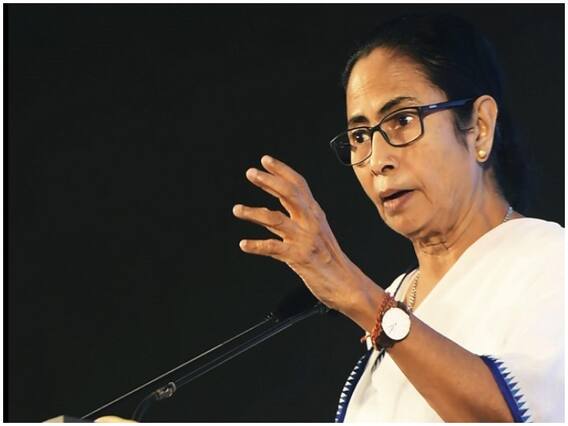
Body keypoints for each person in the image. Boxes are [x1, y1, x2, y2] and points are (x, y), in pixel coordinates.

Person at [232, 13, 564, 422]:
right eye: (360, 136)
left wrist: (360, 297)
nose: (377, 160)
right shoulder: (399, 295)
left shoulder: (549, 259)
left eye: (403, 120)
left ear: (479, 127)